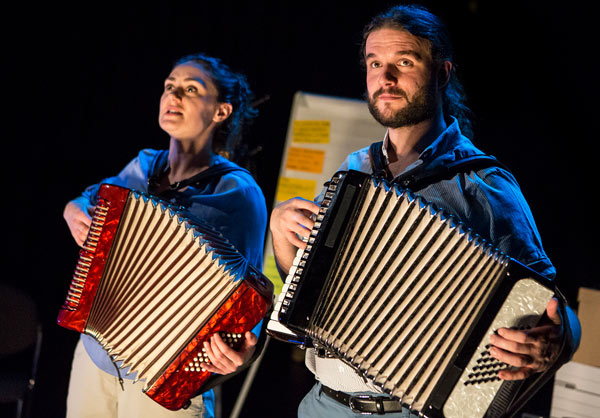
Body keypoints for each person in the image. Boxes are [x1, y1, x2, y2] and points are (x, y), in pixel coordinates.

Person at [269, 4, 581, 417]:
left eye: (404, 61)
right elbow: (306, 295)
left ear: (442, 73)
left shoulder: (484, 184)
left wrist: (559, 340)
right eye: (375, 63)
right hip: (323, 403)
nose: (386, 77)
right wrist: (282, 236)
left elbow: (549, 304)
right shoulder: (352, 169)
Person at [63, 52, 267, 418]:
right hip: (96, 353)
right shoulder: (144, 165)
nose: (174, 96)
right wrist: (72, 209)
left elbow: (249, 296)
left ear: (221, 111)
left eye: (191, 89)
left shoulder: (237, 190)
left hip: (164, 375)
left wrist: (240, 353)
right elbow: (90, 197)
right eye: (169, 86)